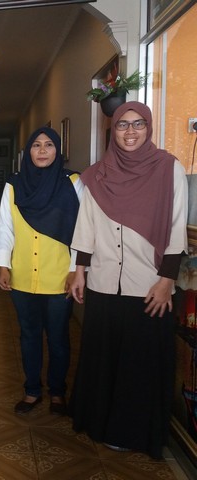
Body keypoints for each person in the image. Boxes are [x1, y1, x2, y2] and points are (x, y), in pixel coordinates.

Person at [69, 101, 188, 458]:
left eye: (138, 124)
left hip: (148, 284)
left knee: (139, 364)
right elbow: (86, 226)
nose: (131, 131)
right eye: (123, 125)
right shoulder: (96, 174)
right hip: (103, 282)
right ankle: (99, 422)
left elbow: (176, 226)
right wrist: (80, 271)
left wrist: (166, 280)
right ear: (113, 130)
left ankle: (132, 431)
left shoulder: (168, 168)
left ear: (148, 128)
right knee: (104, 359)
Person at [0, 126, 83, 415]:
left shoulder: (73, 182)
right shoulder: (14, 184)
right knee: (29, 336)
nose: (42, 150)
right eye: (36, 145)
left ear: (58, 150)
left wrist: (75, 270)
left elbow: (83, 229)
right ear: (28, 151)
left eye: (49, 145)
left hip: (59, 276)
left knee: (58, 338)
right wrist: (3, 265)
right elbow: (5, 227)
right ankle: (32, 391)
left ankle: (57, 392)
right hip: (22, 276)